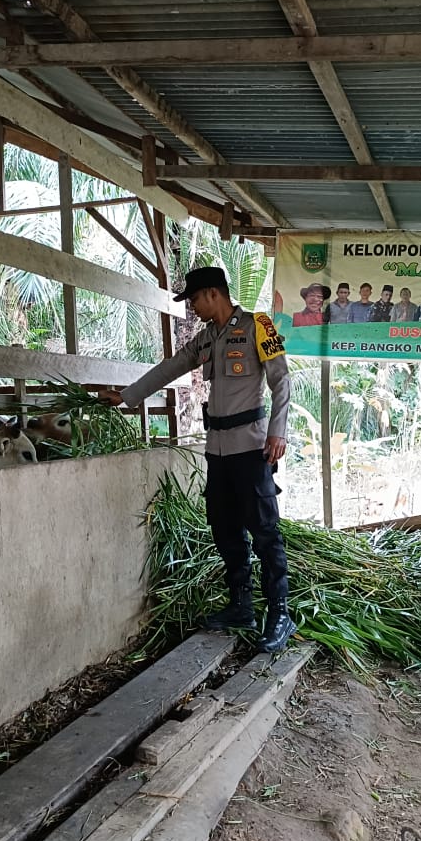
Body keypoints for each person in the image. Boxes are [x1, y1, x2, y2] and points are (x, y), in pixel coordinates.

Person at [100, 267, 297, 653]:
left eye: (193, 300)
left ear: (212, 294)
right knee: (225, 529)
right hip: (218, 452)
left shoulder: (258, 326)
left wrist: (278, 431)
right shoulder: (207, 338)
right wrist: (127, 396)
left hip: (251, 448)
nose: (192, 308)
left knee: (265, 532)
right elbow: (170, 368)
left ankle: (280, 612)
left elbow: (281, 381)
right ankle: (241, 605)